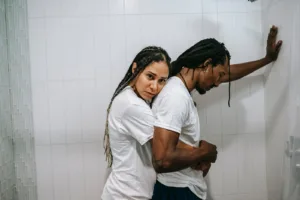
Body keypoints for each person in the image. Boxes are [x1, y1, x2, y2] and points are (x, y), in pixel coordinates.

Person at [151, 25, 282, 200]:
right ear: (206, 65)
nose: (220, 82)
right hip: (177, 191)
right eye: (219, 76)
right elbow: (162, 160)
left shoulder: (180, 89)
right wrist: (204, 153)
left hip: (180, 189)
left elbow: (228, 73)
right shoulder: (175, 96)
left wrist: (267, 60)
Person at [101, 46, 172, 200]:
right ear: (135, 69)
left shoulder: (135, 98)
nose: (154, 87)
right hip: (125, 195)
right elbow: (166, 149)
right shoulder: (132, 105)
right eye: (150, 77)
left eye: (162, 81)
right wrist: (201, 153)